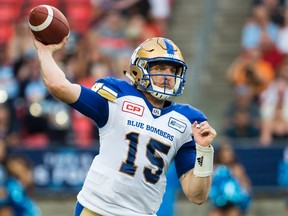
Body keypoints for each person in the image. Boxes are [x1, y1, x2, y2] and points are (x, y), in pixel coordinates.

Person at [33, 36, 217, 216]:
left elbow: (197, 195)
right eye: (160, 67)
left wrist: (204, 150)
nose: (167, 76)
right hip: (97, 208)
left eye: (172, 70)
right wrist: (45, 52)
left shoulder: (188, 120)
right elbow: (59, 86)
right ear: (139, 69)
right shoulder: (118, 96)